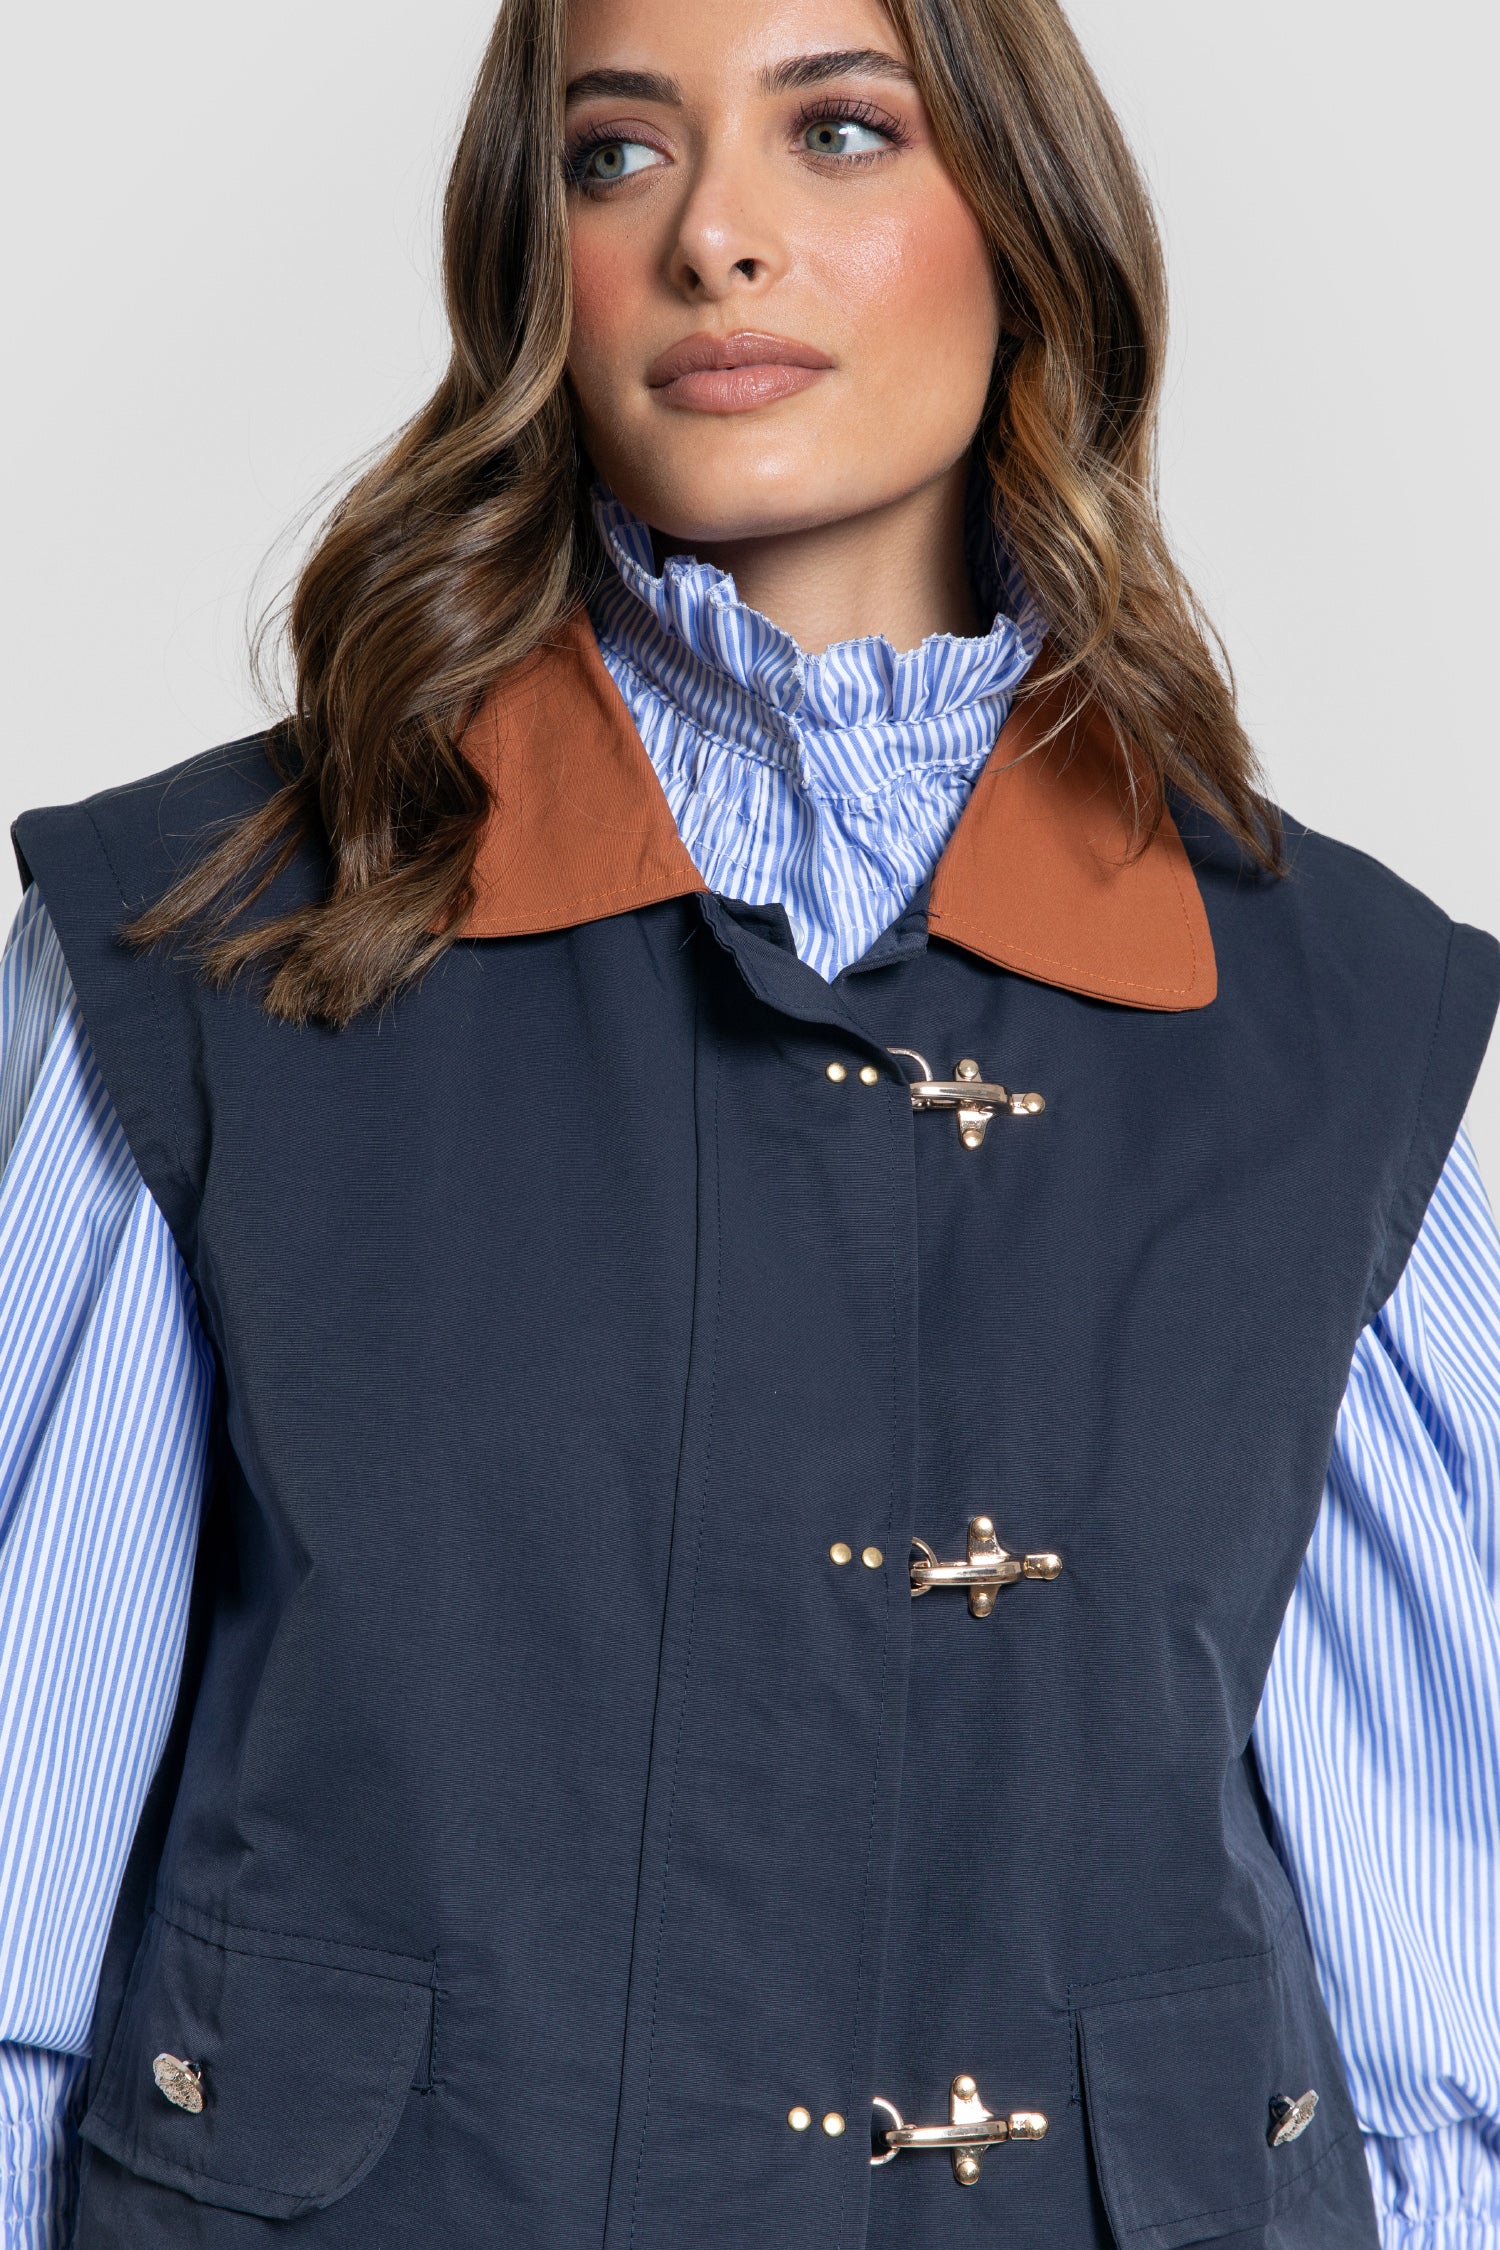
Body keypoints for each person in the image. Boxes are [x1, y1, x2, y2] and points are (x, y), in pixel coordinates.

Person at [2, 0, 1497, 2243]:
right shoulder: (205, 948)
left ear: (1029, 228)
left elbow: (1446, 2025)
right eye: (617, 155)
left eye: (842, 131)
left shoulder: (1328, 1021)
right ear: (539, 263)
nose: (715, 235)